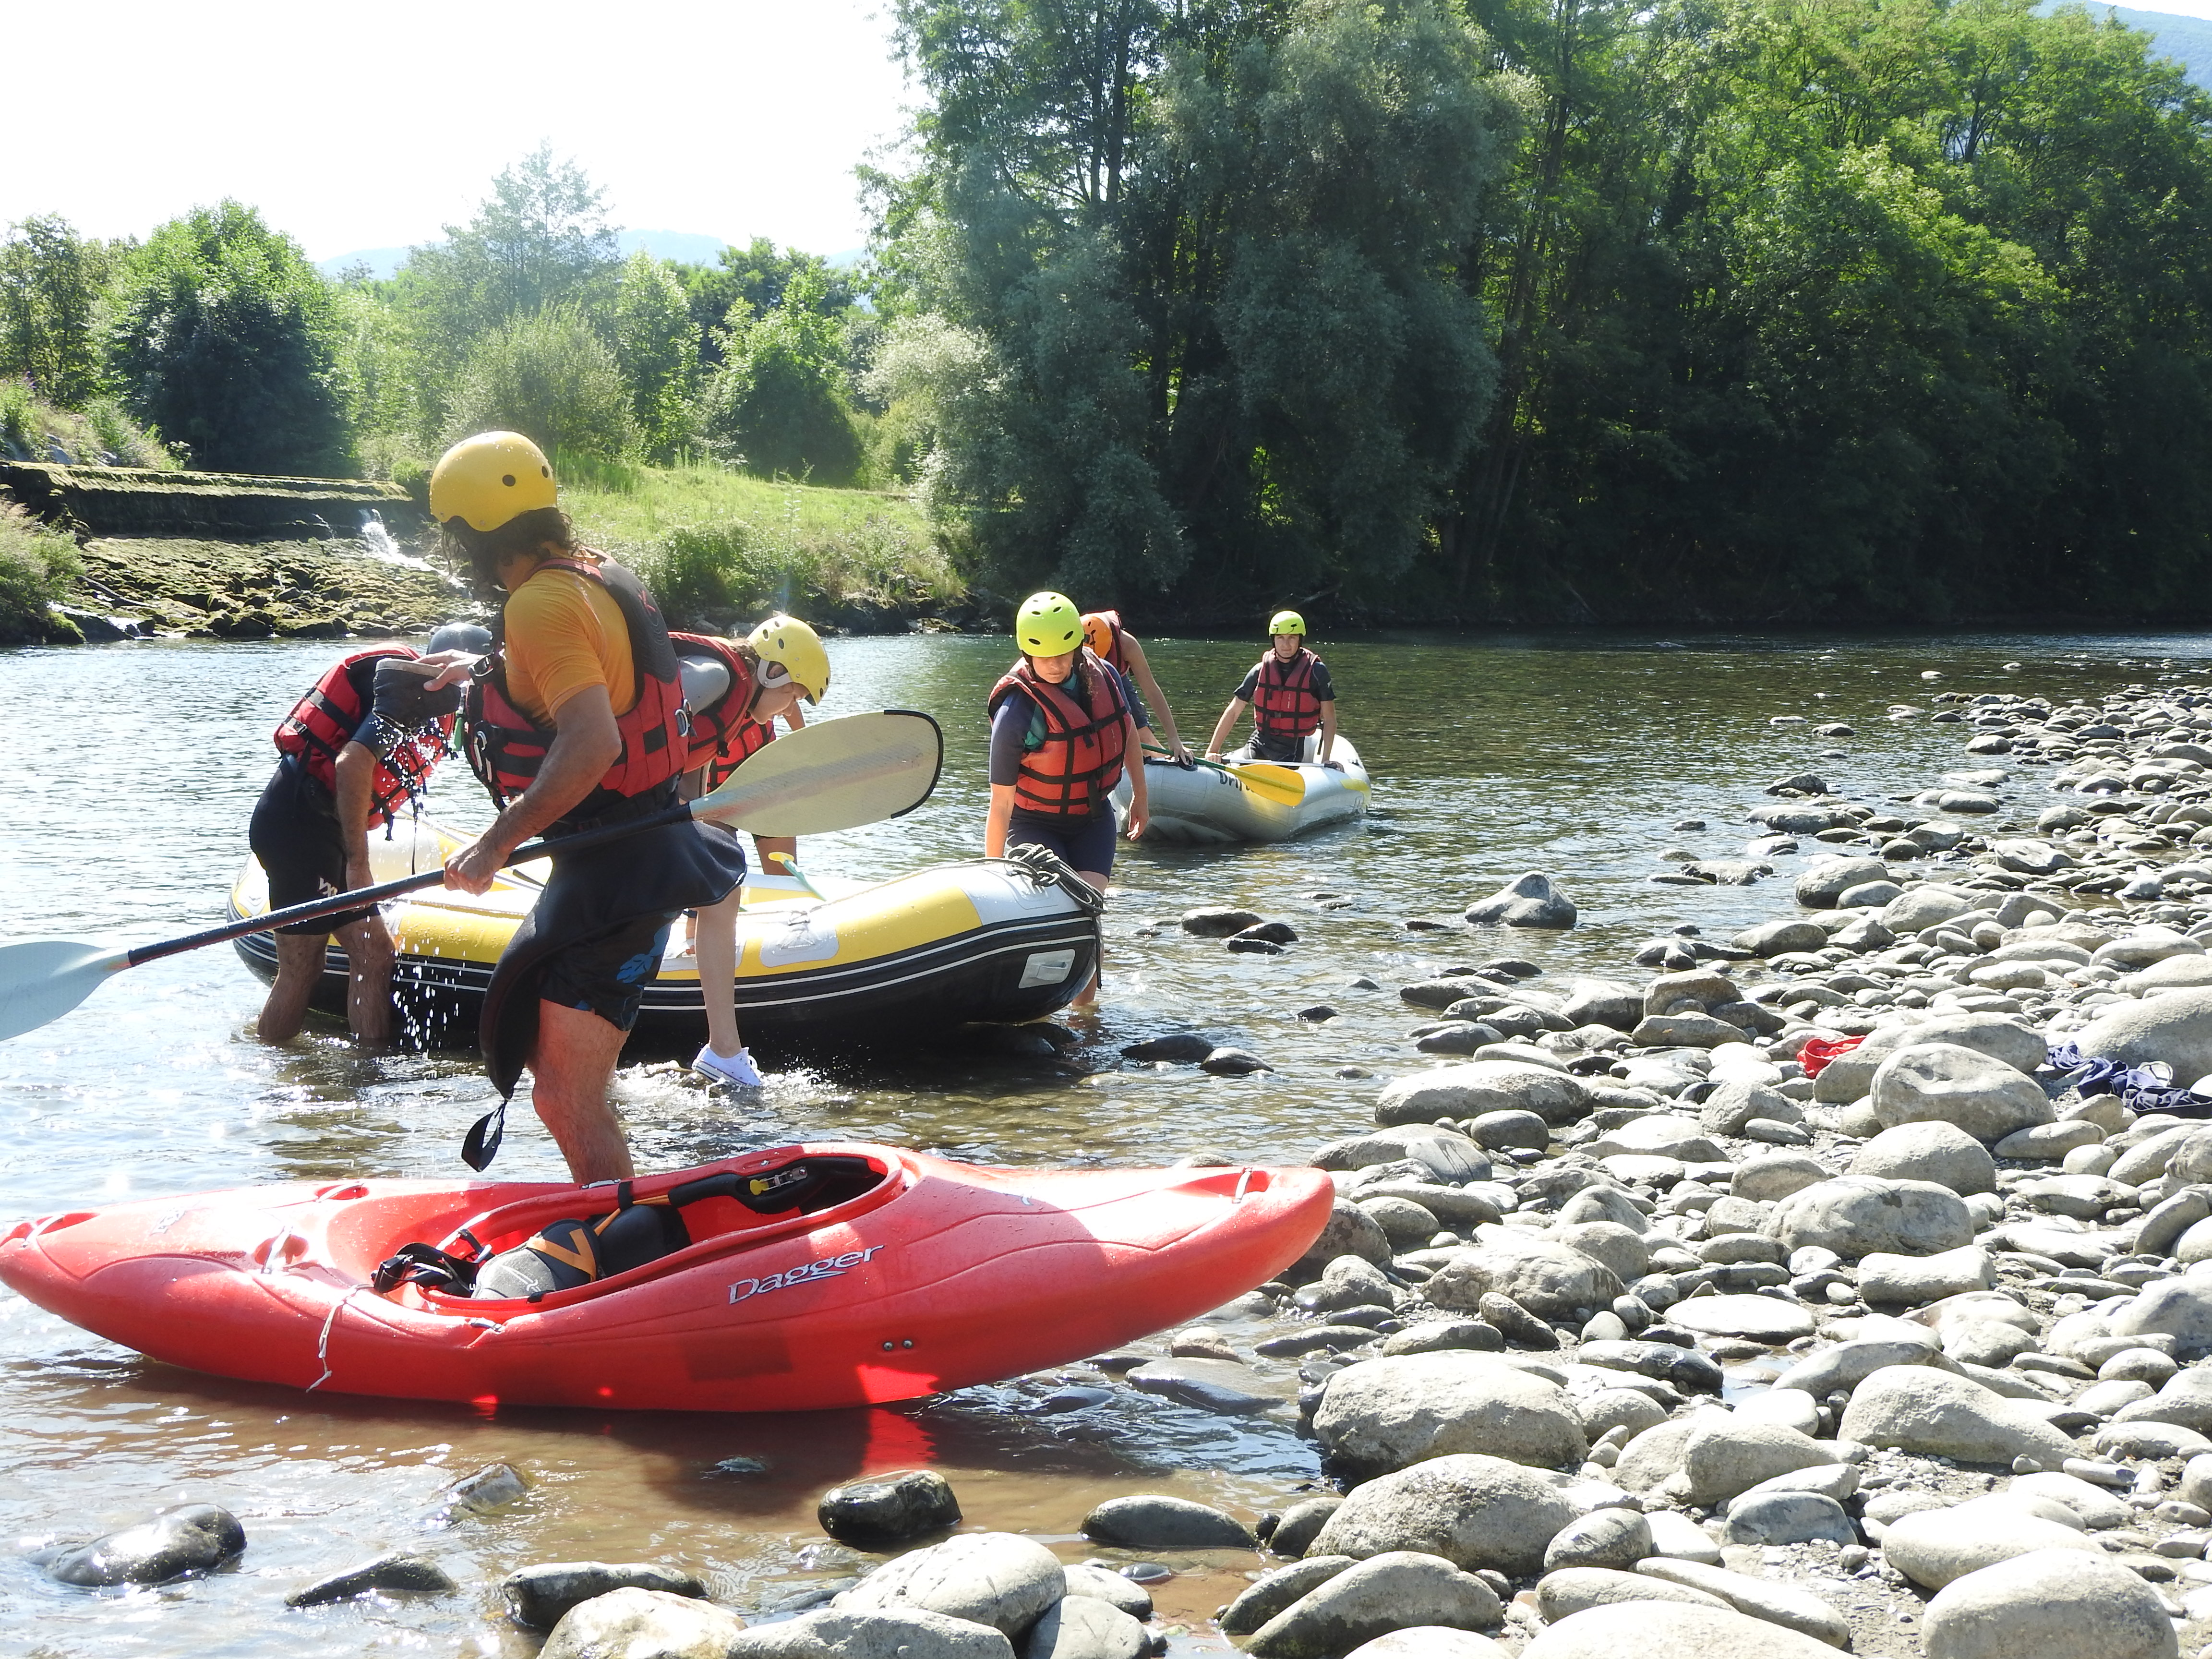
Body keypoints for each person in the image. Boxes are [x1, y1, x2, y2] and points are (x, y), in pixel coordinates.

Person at [427, 431, 749, 1183]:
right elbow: (596, 676)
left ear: (472, 533)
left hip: (617, 873)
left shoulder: (536, 605)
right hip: (642, 846)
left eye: (452, 536)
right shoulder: (595, 574)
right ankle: (622, 1212)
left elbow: (593, 742)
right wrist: (481, 668)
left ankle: (622, 1244)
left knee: (565, 1097)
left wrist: (494, 843)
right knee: (568, 1085)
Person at [249, 622, 485, 1044]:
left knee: (374, 955)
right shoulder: (411, 691)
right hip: (299, 827)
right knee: (304, 967)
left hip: (323, 831)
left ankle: (366, 1078)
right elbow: (351, 763)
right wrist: (359, 865)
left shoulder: (433, 706)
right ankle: (272, 1073)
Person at [673, 613, 830, 1088]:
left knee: (775, 870)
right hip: (714, 793)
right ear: (773, 673)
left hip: (762, 785)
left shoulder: (763, 697)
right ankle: (689, 940)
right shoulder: (718, 686)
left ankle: (785, 946)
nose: (792, 703)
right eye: (794, 692)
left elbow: (797, 739)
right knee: (711, 887)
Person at [985, 592, 1147, 1006]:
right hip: (1034, 824)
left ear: (1078, 645)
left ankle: (1084, 1014)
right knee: (1060, 913)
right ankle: (1035, 1002)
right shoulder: (1017, 712)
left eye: (1065, 653)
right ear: (1027, 653)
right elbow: (1001, 804)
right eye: (1046, 657)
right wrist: (991, 874)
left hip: (1093, 820)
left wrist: (1141, 799)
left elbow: (1127, 733)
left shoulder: (1106, 675)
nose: (1057, 664)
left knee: (1087, 912)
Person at [1204, 609, 1340, 768]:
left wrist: (1326, 759)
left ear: (1300, 640)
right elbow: (1234, 711)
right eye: (1280, 638)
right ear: (1273, 640)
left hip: (1291, 748)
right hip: (1259, 742)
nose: (1286, 644)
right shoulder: (1260, 670)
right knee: (1244, 769)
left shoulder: (1317, 672)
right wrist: (1212, 751)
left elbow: (1330, 719)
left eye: (1292, 638)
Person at [1082, 608, 1190, 763]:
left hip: (1119, 676)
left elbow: (1151, 690)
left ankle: (1161, 759)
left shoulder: (1128, 645)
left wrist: (1174, 739)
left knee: (1139, 728)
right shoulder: (1071, 647)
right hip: (1086, 676)